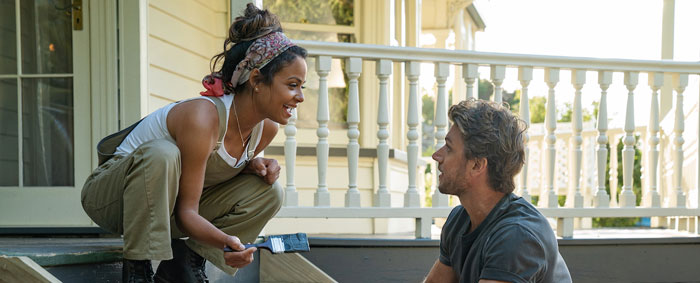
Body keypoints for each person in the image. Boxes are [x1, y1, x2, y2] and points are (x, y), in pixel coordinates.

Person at [80, 4, 307, 283]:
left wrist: (248, 166)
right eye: (293, 85)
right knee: (163, 153)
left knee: (269, 190)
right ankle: (138, 271)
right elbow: (188, 213)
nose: (300, 97)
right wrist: (226, 241)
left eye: (302, 87)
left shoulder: (266, 129)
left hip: (165, 210)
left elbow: (196, 183)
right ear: (257, 80)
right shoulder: (203, 117)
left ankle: (184, 265)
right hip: (114, 201)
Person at [424, 99, 572, 283]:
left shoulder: (516, 236)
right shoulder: (459, 220)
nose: (437, 155)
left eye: (449, 148)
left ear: (477, 165)